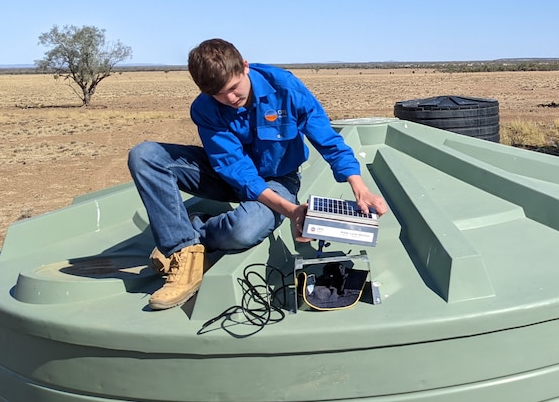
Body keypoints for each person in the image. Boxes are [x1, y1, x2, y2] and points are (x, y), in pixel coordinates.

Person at [127, 38, 388, 310]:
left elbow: (328, 140)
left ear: (245, 66)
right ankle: (182, 250)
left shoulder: (285, 88)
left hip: (277, 178)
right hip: (226, 175)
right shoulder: (204, 108)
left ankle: (197, 229)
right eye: (217, 94)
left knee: (243, 230)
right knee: (145, 155)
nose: (229, 100)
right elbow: (234, 168)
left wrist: (359, 187)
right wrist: (290, 211)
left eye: (232, 88)